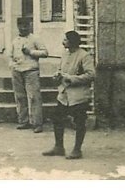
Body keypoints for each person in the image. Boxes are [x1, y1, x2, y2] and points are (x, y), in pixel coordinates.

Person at [43, 30, 96, 159]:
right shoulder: (65, 54)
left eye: (65, 40)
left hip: (78, 96)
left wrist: (71, 78)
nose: (63, 42)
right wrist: (57, 75)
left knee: (79, 122)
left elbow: (91, 75)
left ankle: (77, 150)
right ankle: (59, 147)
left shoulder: (84, 56)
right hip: (64, 95)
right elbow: (61, 70)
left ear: (72, 42)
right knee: (57, 119)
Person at [10, 18, 48, 132]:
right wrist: (12, 65)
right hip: (17, 71)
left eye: (26, 26)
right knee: (20, 97)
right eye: (21, 26)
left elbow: (45, 53)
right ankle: (23, 121)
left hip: (31, 71)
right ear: (18, 26)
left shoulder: (35, 39)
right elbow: (10, 55)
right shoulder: (15, 40)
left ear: (30, 26)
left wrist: (30, 52)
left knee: (34, 97)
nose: (23, 28)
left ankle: (37, 123)